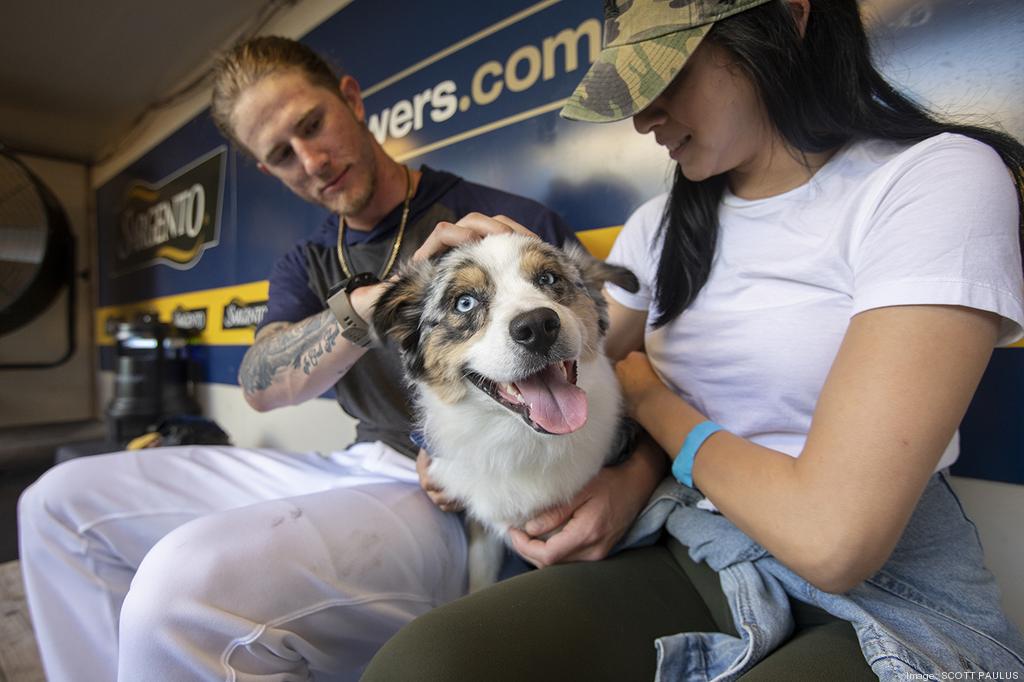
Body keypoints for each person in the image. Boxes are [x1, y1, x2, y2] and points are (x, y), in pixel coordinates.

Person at [361, 0, 1024, 680]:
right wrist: (632, 473)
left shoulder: (932, 181)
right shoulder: (657, 227)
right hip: (695, 537)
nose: (644, 117)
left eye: (665, 74)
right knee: (424, 664)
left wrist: (652, 398)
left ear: (789, 20)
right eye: (632, 91)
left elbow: (834, 541)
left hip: (887, 597)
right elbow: (582, 367)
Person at [17, 36, 583, 681]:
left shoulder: (500, 220)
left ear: (349, 98)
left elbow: (579, 366)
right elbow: (262, 385)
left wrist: (463, 457)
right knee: (57, 503)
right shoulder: (307, 260)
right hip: (350, 463)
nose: (312, 161)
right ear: (266, 170)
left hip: (447, 491)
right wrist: (381, 299)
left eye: (312, 126)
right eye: (282, 155)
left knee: (182, 591)